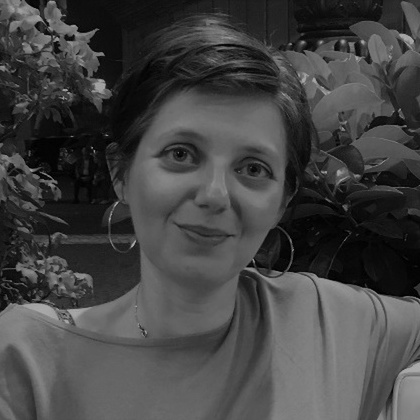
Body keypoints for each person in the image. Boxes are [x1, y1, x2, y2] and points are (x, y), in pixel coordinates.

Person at [0, 13, 419, 420]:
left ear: (282, 200)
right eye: (181, 154)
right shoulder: (32, 360)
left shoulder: (328, 323)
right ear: (120, 173)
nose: (215, 195)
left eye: (252, 168)